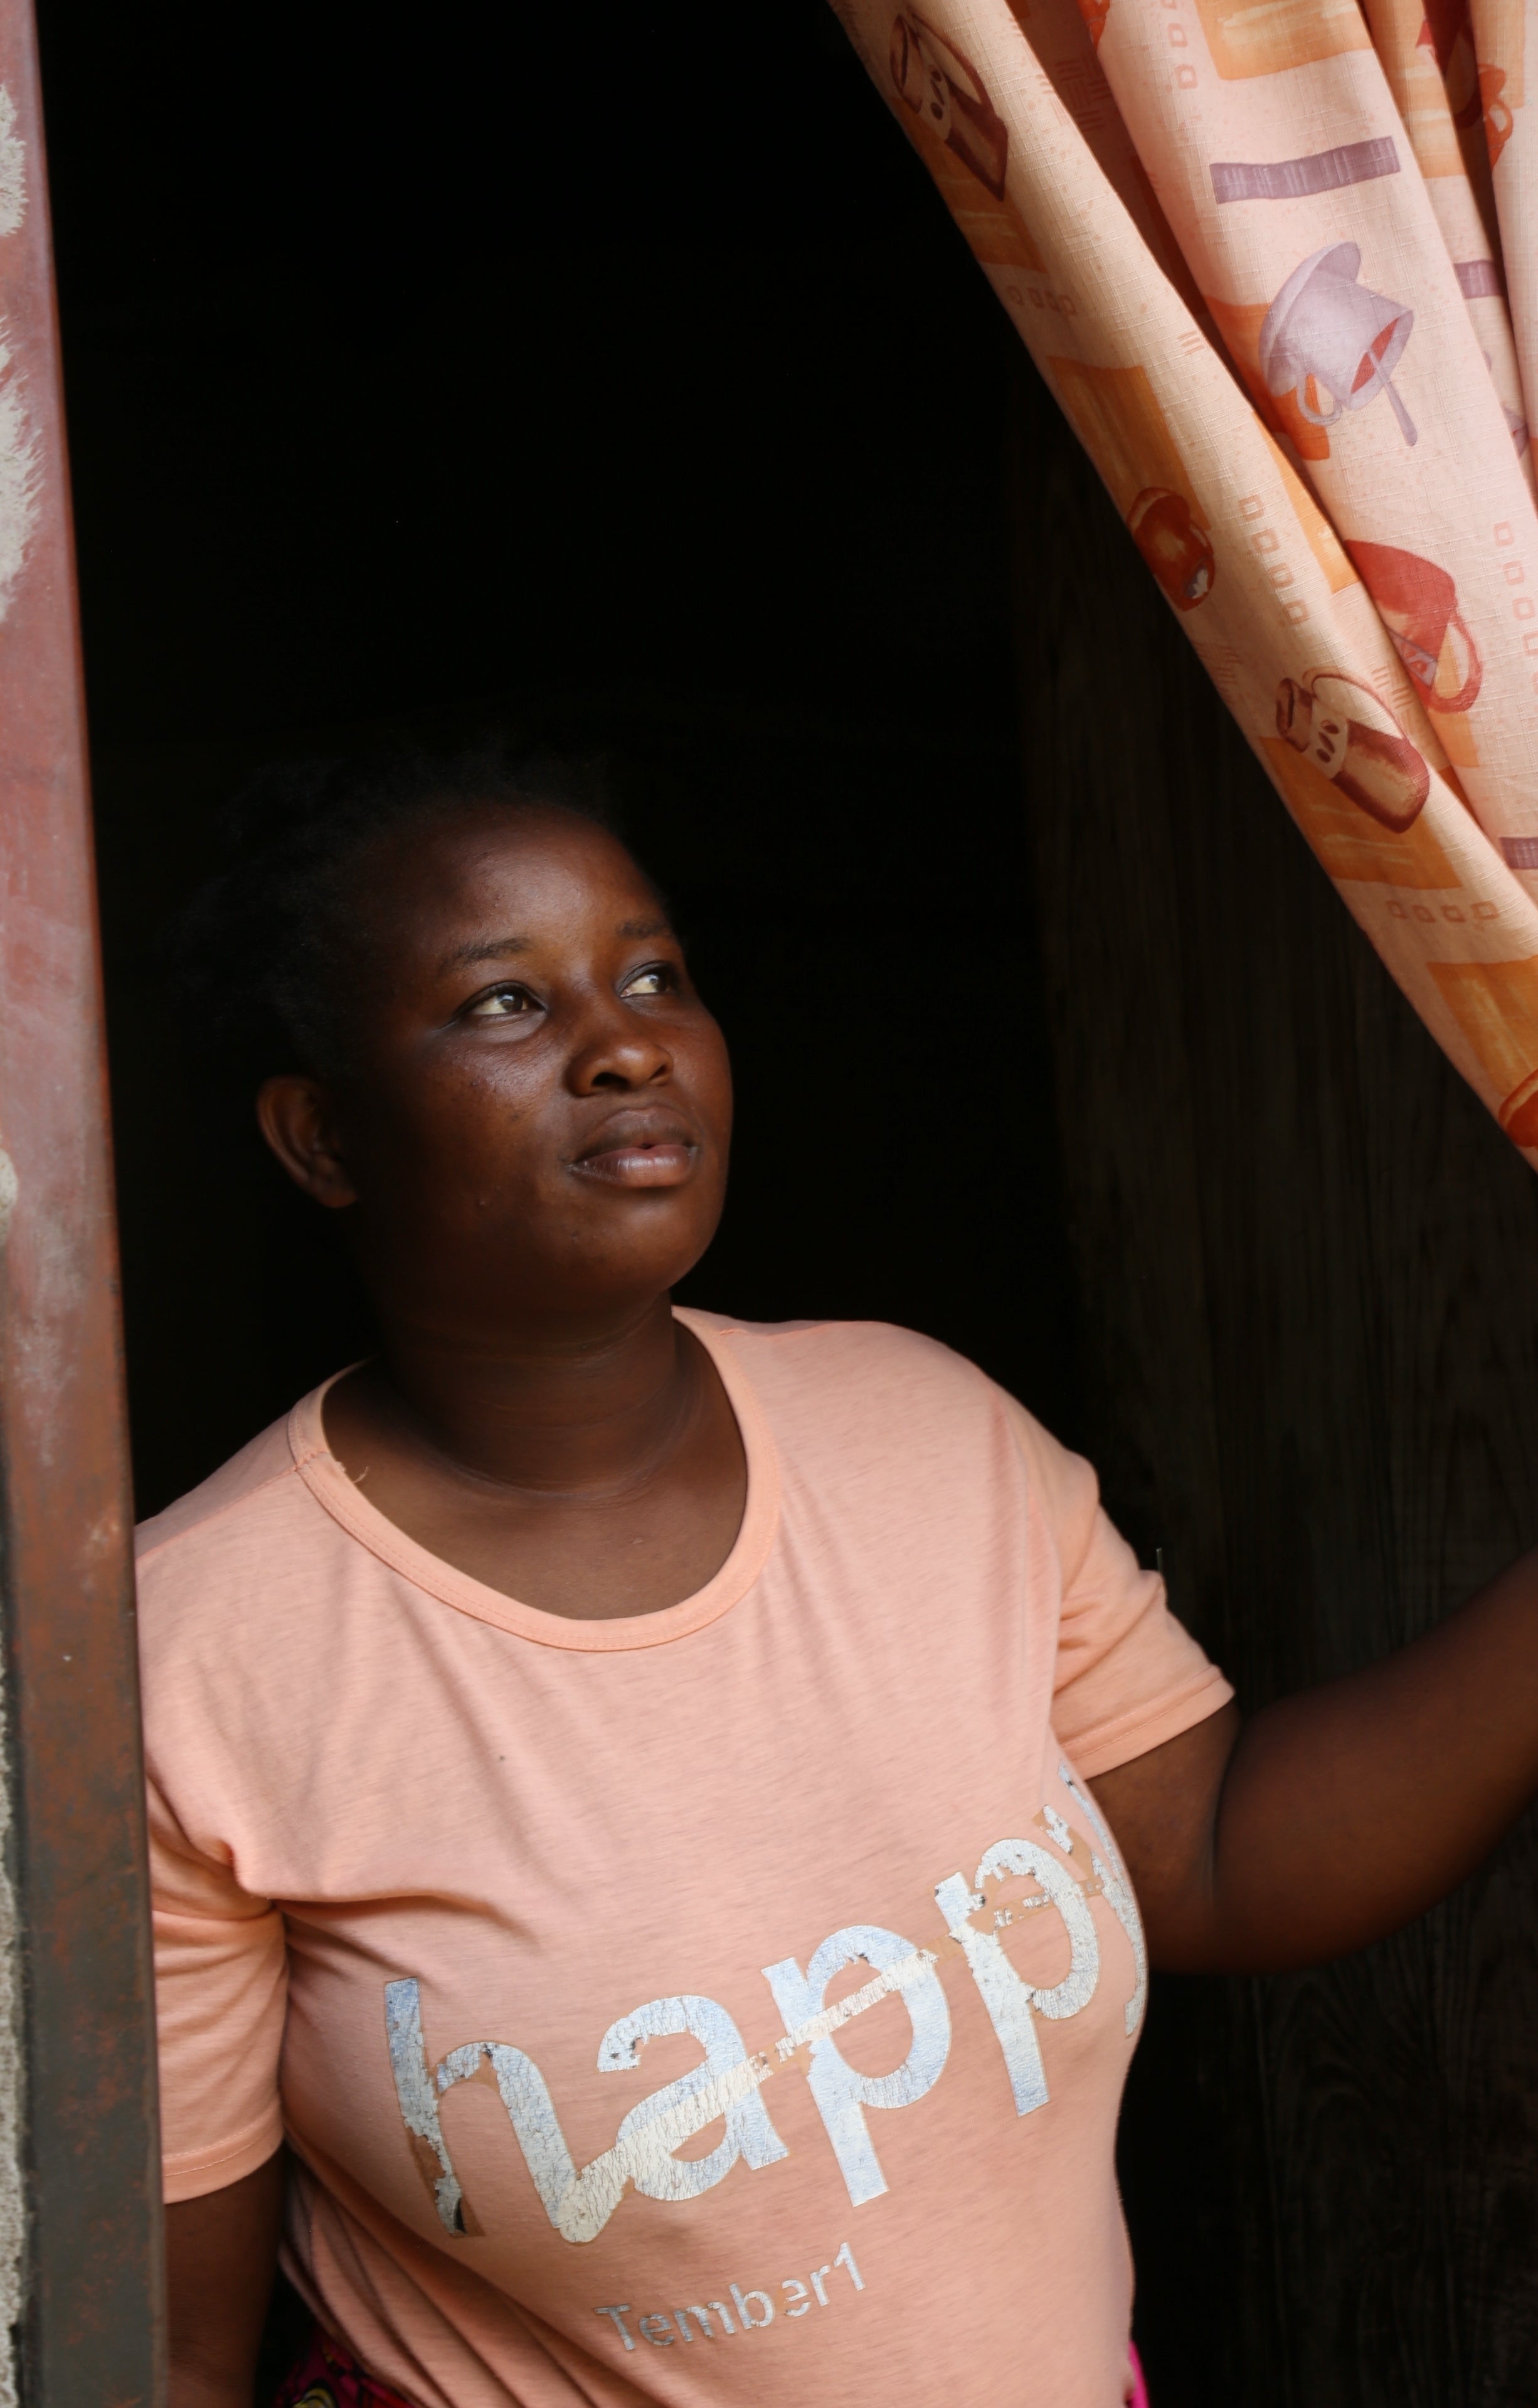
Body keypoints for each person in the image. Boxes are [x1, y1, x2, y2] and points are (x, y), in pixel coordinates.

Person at [153, 748, 1538, 2408]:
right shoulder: (192, 1656)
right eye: (505, 1005)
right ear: (321, 1140)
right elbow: (164, 2351)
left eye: (653, 973)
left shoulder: (921, 1431)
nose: (623, 1046)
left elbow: (1212, 1856)